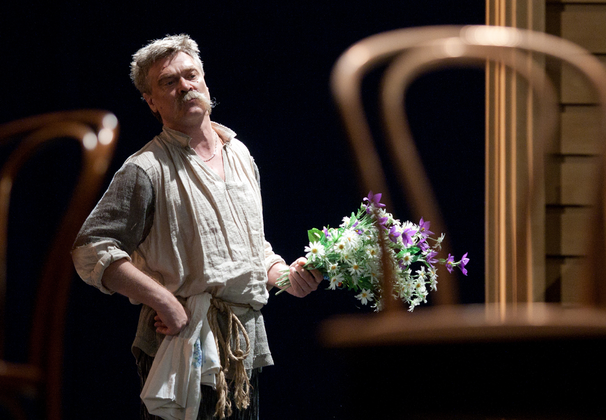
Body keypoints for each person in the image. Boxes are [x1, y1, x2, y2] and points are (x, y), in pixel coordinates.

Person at [72, 34, 323, 420]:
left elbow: (251, 245)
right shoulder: (145, 169)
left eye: (191, 75)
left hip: (243, 344)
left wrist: (286, 276)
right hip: (181, 343)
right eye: (168, 81)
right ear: (151, 101)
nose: (184, 86)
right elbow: (91, 249)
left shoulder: (239, 153)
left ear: (205, 81)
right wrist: (165, 302)